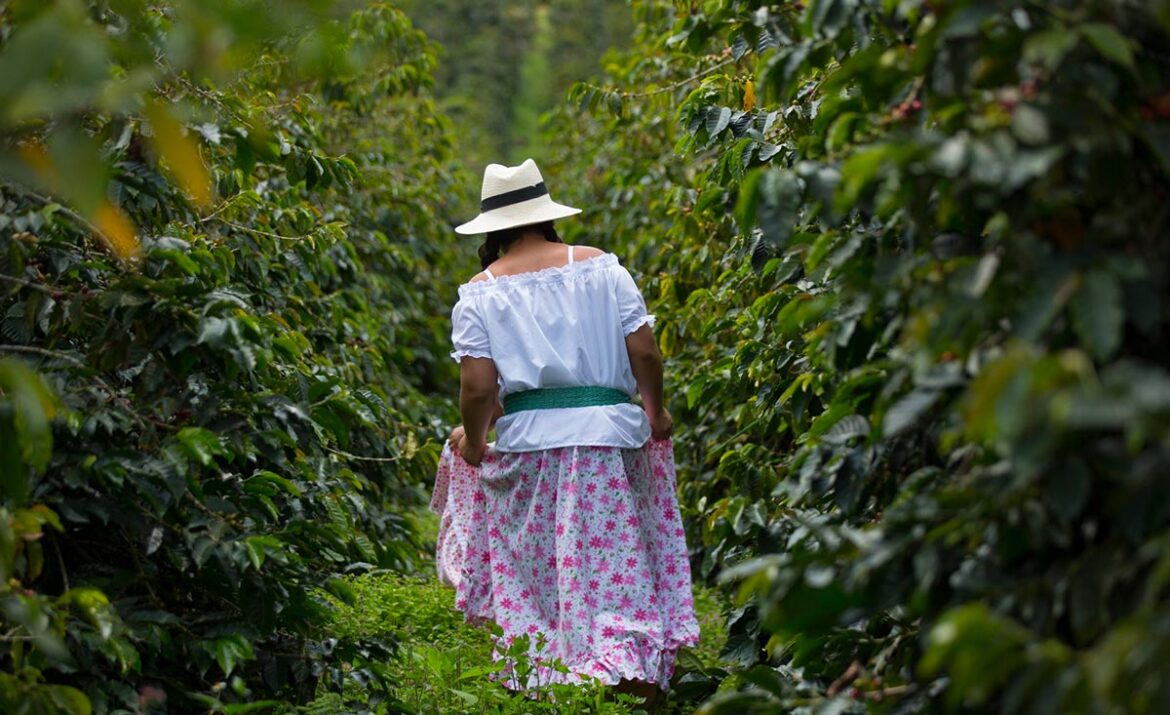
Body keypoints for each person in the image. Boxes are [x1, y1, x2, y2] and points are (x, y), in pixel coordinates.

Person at [440, 158, 699, 703]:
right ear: (547, 215)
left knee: (541, 579)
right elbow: (645, 351)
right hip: (608, 439)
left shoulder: (481, 293)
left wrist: (477, 442)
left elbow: (478, 389)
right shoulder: (603, 268)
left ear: (491, 230)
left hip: (531, 448)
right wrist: (654, 414)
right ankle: (633, 683)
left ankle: (550, 683)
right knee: (615, 568)